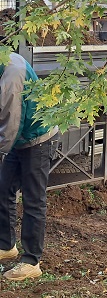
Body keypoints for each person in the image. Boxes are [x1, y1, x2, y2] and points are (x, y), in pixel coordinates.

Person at [0, 53, 59, 281]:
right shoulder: (5, 63)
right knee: (3, 189)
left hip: (38, 138)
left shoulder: (12, 74)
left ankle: (32, 261)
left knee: (33, 199)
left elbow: (11, 125)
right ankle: (6, 246)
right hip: (20, 139)